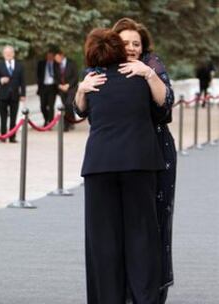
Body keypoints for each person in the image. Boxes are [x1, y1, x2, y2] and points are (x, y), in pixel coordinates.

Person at [74, 28, 164, 304]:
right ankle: (144, 298)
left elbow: (79, 111)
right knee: (142, 237)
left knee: (103, 240)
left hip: (100, 165)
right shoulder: (139, 79)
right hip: (138, 162)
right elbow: (162, 107)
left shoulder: (91, 81)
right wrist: (149, 74)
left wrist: (80, 89)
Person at [112, 17, 176, 304]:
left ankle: (154, 289)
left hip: (157, 152)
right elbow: (79, 110)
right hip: (119, 155)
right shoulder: (104, 64)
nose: (131, 48)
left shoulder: (152, 63)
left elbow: (166, 107)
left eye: (136, 43)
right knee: (119, 224)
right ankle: (124, 288)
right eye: (125, 43)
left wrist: (147, 74)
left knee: (155, 221)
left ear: (143, 46)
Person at [0, 45, 26, 143]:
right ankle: (3, 136)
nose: (8, 54)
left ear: (13, 54)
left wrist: (23, 94)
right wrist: (0, 80)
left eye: (10, 52)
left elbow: (22, 81)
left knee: (13, 117)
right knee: (3, 117)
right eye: (6, 53)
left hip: (15, 95)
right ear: (3, 54)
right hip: (3, 96)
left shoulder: (19, 65)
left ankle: (12, 137)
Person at [54, 49, 78, 131]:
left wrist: (68, 85)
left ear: (61, 56)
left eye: (57, 58)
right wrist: (59, 85)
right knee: (66, 106)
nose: (56, 60)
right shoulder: (56, 65)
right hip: (61, 89)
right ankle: (72, 120)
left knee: (68, 104)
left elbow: (75, 77)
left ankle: (66, 125)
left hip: (71, 88)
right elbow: (55, 77)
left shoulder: (71, 63)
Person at [37, 49, 60, 126]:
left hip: (52, 87)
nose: (49, 57)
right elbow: (38, 75)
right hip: (43, 87)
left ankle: (50, 122)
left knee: (51, 106)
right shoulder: (41, 64)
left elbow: (59, 75)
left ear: (53, 57)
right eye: (48, 56)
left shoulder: (57, 64)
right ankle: (46, 119)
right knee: (42, 106)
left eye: (51, 56)